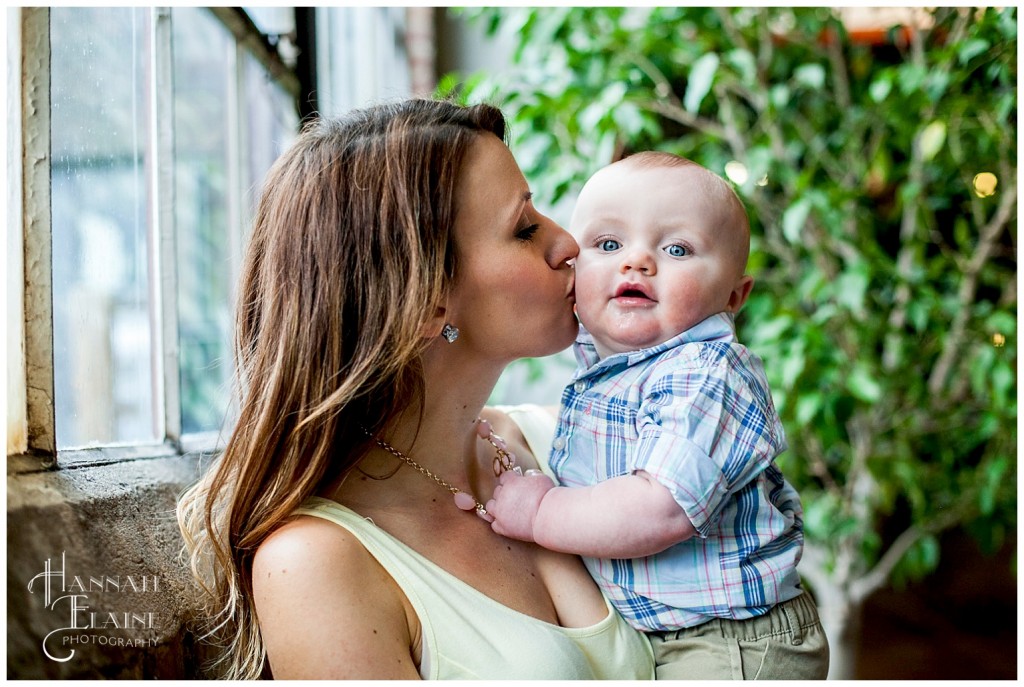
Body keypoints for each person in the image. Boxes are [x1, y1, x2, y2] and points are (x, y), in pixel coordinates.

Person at [175, 99, 655, 680]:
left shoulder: (571, 441)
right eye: (525, 228)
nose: (568, 244)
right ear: (426, 300)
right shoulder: (317, 565)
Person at [486, 152, 830, 680]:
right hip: (670, 633)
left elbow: (661, 507)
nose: (637, 262)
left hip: (731, 642)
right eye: (607, 244)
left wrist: (542, 514)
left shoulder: (706, 374)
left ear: (733, 297)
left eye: (676, 249)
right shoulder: (618, 370)